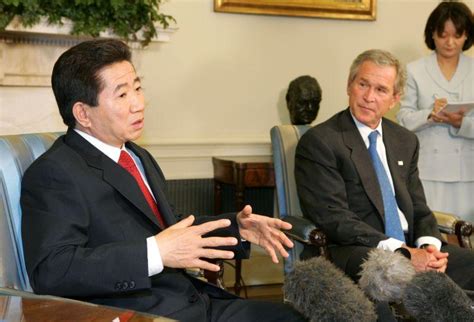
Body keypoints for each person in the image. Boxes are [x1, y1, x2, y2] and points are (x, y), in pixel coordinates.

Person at [20, 39, 306, 322]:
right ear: (83, 113)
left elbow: (170, 228)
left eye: (138, 88)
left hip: (197, 302)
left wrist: (237, 229)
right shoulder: (54, 172)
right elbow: (52, 270)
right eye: (122, 95)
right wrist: (155, 252)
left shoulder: (135, 155)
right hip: (140, 313)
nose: (139, 104)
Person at [295, 49, 474, 292]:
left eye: (381, 90)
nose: (369, 96)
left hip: (411, 247)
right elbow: (333, 218)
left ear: (394, 99)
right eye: (363, 84)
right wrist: (401, 251)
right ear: (349, 85)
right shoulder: (322, 141)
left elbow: (419, 209)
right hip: (357, 250)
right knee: (393, 272)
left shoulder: (404, 140)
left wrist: (429, 248)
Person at [397, 1, 474, 223]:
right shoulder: (415, 70)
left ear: (466, 35)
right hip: (428, 169)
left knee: (465, 238)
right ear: (432, 34)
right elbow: (403, 119)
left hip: (467, 172)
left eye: (457, 35)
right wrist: (429, 115)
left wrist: (461, 123)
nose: (450, 42)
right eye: (443, 35)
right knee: (431, 234)